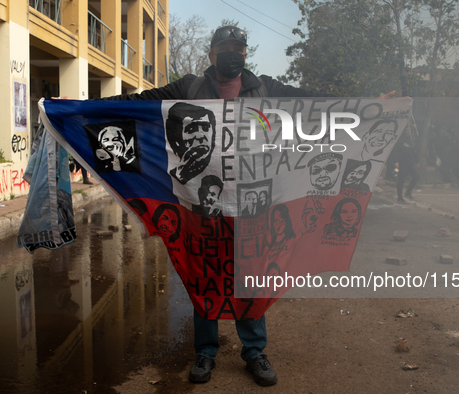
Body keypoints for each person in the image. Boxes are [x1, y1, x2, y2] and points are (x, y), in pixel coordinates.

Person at [99, 25, 396, 387]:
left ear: (245, 54)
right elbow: (139, 104)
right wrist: (83, 108)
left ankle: (254, 350)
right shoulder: (189, 88)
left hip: (255, 203)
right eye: (225, 47)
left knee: (252, 270)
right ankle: (205, 352)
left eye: (239, 48)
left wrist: (370, 103)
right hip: (202, 204)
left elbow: (318, 103)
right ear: (211, 55)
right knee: (203, 271)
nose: (233, 53)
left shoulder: (266, 88)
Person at [392, 126, 420, 203]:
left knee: (416, 176)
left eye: (409, 130)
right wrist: (396, 161)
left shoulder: (412, 140)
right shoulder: (400, 140)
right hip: (402, 162)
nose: (408, 131)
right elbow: (395, 151)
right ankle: (400, 197)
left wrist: (417, 161)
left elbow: (414, 151)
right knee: (401, 180)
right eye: (407, 130)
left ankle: (408, 192)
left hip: (411, 162)